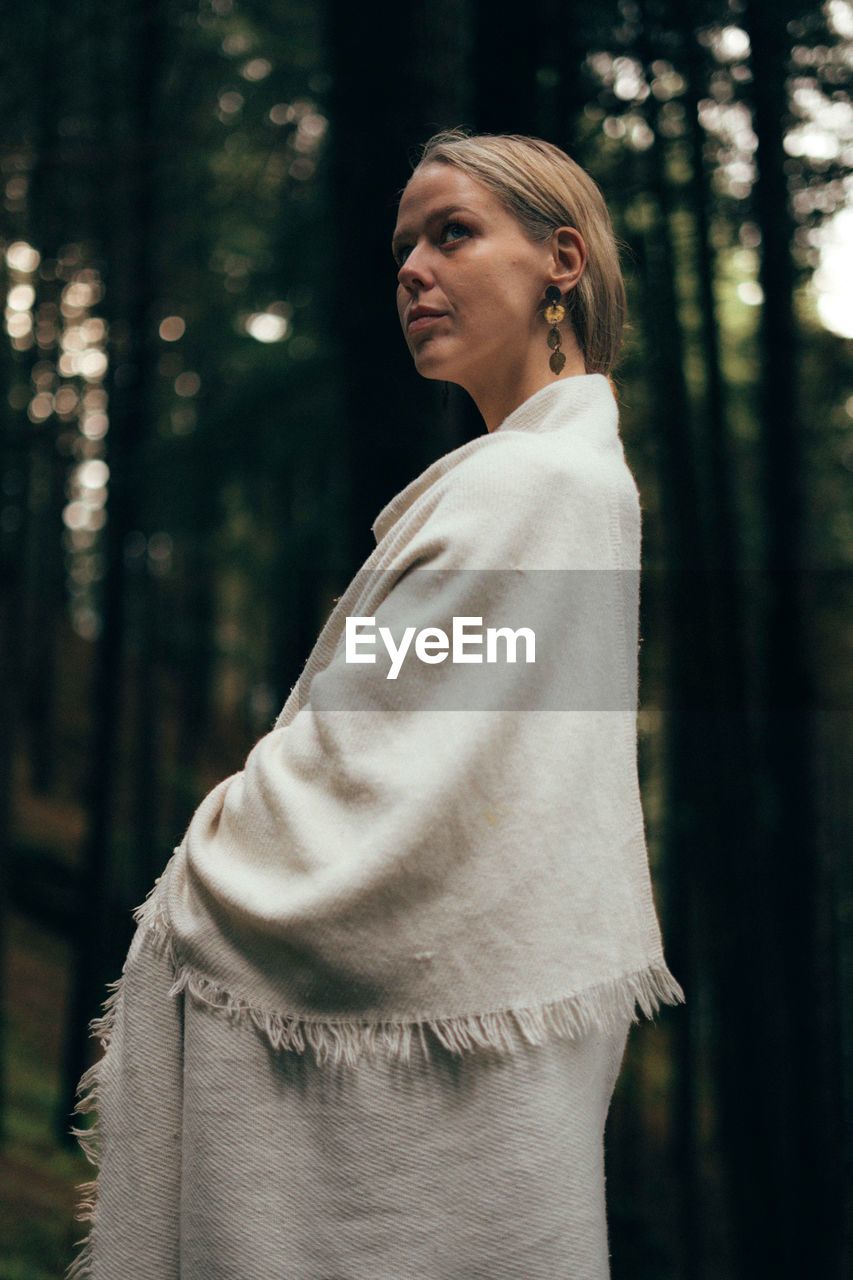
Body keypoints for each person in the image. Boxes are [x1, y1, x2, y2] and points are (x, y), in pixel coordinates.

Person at [67, 128, 684, 1280]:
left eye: (453, 233)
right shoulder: (558, 475)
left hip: (440, 1046)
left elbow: (383, 755)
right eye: (404, 245)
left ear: (561, 259)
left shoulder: (534, 483)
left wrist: (224, 843)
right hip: (501, 1018)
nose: (411, 269)